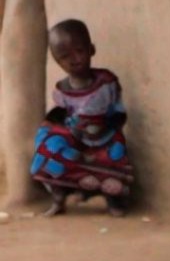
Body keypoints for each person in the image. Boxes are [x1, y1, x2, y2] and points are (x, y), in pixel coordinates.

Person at [30, 19, 133, 217]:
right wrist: (61, 130)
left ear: (91, 49)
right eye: (64, 56)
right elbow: (57, 116)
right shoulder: (62, 89)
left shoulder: (107, 82)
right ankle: (58, 199)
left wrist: (105, 127)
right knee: (48, 147)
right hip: (74, 139)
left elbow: (119, 112)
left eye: (79, 51)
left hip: (104, 137)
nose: (74, 59)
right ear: (57, 61)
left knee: (116, 150)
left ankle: (114, 201)